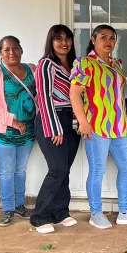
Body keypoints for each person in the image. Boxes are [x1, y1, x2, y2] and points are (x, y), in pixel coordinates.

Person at [70, 24, 127, 230]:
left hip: (119, 126)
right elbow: (75, 94)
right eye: (103, 37)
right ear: (93, 40)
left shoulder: (116, 64)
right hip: (96, 125)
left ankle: (124, 212)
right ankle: (96, 213)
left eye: (112, 38)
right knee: (97, 170)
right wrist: (83, 122)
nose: (108, 41)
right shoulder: (85, 63)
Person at [30, 25, 81, 234]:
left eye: (67, 38)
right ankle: (39, 216)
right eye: (58, 38)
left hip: (71, 120)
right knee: (57, 169)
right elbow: (43, 97)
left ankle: (60, 211)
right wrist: (55, 128)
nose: (64, 42)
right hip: (52, 120)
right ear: (51, 42)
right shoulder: (45, 65)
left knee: (64, 169)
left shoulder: (75, 66)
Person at [0, 36, 36, 227]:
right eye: (6, 49)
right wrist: (12, 121)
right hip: (5, 131)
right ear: (0, 53)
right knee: (6, 171)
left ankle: (20, 205)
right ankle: (7, 209)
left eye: (15, 48)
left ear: (21, 50)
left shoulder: (32, 69)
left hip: (28, 131)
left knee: (21, 170)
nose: (11, 52)